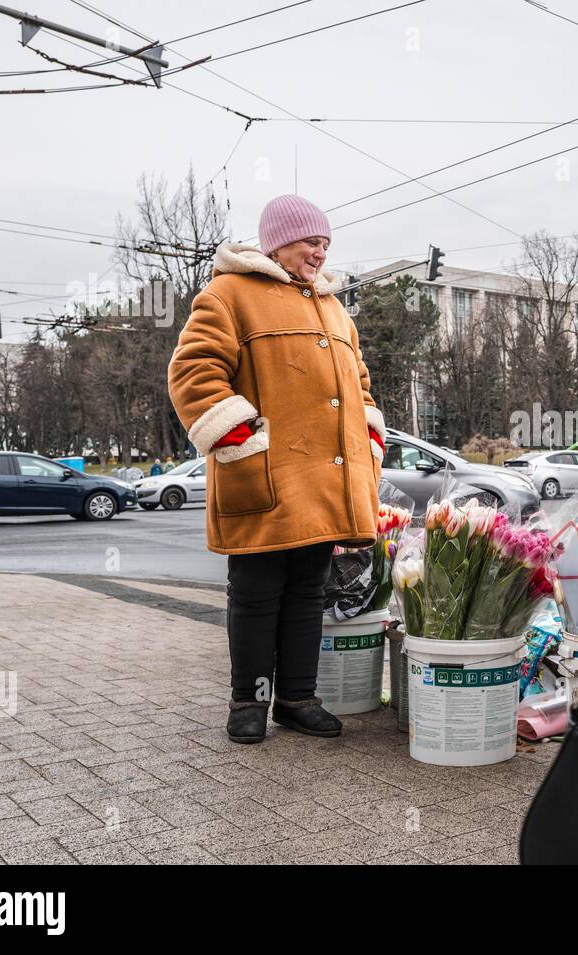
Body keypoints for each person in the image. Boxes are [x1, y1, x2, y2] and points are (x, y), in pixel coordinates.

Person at [168, 194, 385, 744]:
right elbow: (193, 372)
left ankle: (297, 699)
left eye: (326, 244)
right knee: (256, 595)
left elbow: (358, 384)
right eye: (312, 241)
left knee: (308, 593)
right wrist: (241, 439)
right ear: (279, 242)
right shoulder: (228, 294)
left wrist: (370, 433)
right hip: (263, 476)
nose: (321, 253)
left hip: (324, 481)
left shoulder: (333, 307)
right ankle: (248, 703)